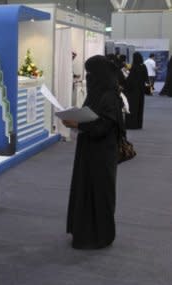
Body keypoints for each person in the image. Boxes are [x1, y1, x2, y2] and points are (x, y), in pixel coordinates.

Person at [62, 55, 125, 250]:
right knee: (85, 188)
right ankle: (84, 231)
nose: (88, 77)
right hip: (88, 150)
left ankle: (100, 235)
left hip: (103, 153)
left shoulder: (111, 97)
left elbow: (104, 126)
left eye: (90, 73)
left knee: (100, 191)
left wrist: (78, 123)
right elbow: (91, 116)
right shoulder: (97, 93)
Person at [124, 52, 149, 129]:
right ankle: (138, 124)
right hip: (140, 90)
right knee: (139, 107)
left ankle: (131, 124)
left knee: (131, 107)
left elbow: (129, 80)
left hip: (132, 91)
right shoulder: (143, 66)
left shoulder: (133, 67)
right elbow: (146, 78)